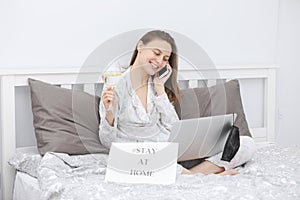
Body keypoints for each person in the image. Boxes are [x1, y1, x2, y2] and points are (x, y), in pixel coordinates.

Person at [99, 30, 255, 176]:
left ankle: (191, 174)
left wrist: (160, 88)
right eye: (156, 53)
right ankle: (202, 175)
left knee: (245, 144)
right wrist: (110, 114)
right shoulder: (115, 84)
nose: (159, 61)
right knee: (135, 162)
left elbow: (174, 127)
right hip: (140, 156)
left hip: (170, 149)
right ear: (140, 46)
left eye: (165, 59)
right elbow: (108, 142)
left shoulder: (158, 84)